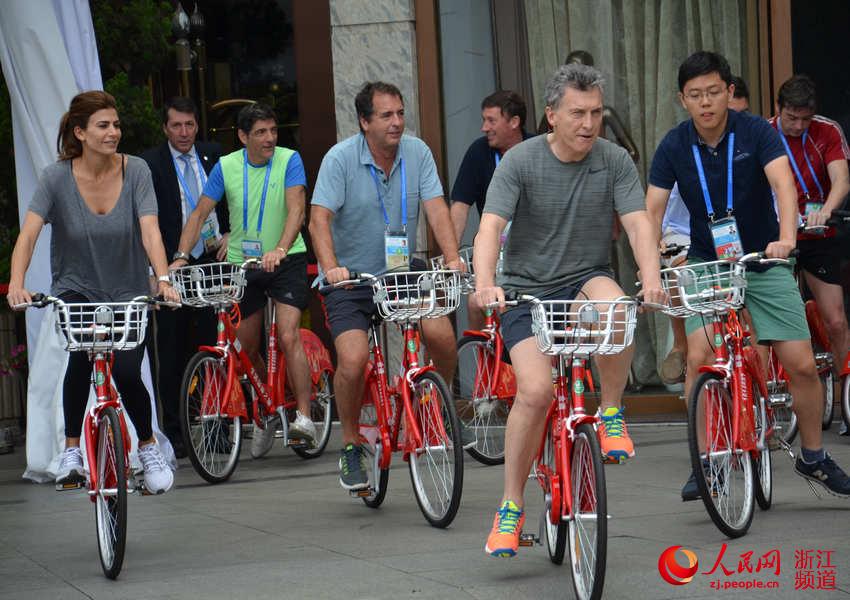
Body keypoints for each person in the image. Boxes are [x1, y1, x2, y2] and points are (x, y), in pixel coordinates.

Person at [473, 64, 665, 557]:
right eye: (578, 113)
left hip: (584, 280)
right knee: (535, 392)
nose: (589, 123)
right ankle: (511, 507)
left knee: (619, 308)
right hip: (525, 292)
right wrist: (486, 284)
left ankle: (612, 413)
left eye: (597, 112)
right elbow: (490, 227)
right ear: (551, 114)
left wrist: (651, 275)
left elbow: (640, 223)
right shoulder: (520, 161)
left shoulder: (615, 160)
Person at [645, 51, 850, 501]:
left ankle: (814, 455)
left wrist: (786, 240)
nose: (706, 103)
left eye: (714, 92)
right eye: (695, 95)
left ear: (729, 92)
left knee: (798, 362)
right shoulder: (675, 145)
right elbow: (651, 210)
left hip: (763, 257)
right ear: (683, 99)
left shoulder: (756, 131)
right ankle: (705, 462)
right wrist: (654, 257)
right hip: (707, 262)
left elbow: (783, 186)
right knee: (700, 355)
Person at [7, 90, 180, 494]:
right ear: (80, 132)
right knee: (80, 362)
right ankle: (71, 452)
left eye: (116, 125)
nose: (113, 132)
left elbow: (150, 230)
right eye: (103, 125)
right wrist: (17, 284)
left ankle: (148, 446)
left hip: (127, 290)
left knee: (125, 369)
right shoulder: (56, 178)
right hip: (76, 288)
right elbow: (29, 233)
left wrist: (164, 279)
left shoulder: (136, 171)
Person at [310, 81, 463, 491]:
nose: (397, 122)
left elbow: (435, 208)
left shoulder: (418, 152)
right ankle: (349, 443)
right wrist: (332, 269)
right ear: (364, 122)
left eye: (400, 113)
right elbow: (318, 219)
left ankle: (433, 404)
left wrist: (451, 259)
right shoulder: (340, 159)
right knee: (354, 359)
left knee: (441, 335)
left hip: (401, 271)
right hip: (352, 278)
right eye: (386, 116)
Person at [171, 103, 316, 456]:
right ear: (242, 137)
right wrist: (179, 257)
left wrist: (280, 248)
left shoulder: (289, 159)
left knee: (286, 333)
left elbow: (297, 208)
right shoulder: (226, 166)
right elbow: (200, 212)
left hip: (287, 260)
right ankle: (266, 410)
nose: (270, 139)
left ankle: (304, 418)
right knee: (245, 349)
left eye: (273, 131)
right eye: (261, 132)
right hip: (243, 266)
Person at [141, 97, 227, 457]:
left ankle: (219, 427)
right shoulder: (149, 163)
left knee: (215, 348)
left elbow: (231, 202)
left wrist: (230, 236)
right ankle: (175, 432)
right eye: (176, 125)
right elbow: (145, 221)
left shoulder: (214, 155)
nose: (183, 132)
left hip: (210, 260)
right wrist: (154, 271)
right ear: (165, 128)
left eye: (189, 124)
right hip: (171, 266)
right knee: (172, 351)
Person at [659, 75, 751, 384]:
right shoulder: (681, 148)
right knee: (678, 268)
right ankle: (682, 345)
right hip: (686, 233)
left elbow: (777, 198)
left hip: (741, 235)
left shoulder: (753, 142)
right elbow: (661, 209)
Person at [767, 75, 850, 373]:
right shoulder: (764, 133)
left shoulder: (827, 130)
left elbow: (841, 179)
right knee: (774, 325)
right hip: (779, 236)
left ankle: (847, 396)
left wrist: (826, 210)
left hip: (817, 231)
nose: (799, 125)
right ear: (778, 109)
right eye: (791, 118)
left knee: (837, 320)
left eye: (806, 118)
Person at [450, 90, 532, 330]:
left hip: (534, 256)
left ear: (514, 122)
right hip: (493, 252)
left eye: (491, 121)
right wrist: (451, 254)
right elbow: (459, 207)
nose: (484, 128)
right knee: (476, 302)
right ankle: (484, 357)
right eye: (483, 120)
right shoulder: (479, 152)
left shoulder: (537, 149)